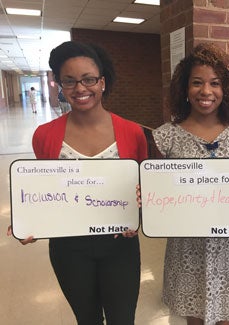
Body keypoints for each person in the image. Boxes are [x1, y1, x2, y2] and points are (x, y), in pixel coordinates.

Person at [8, 41, 148, 325]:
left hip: (120, 244)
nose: (80, 89)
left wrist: (141, 211)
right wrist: (29, 221)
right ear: (60, 85)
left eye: (88, 79)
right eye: (69, 81)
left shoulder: (132, 132)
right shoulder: (44, 135)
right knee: (87, 318)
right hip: (69, 247)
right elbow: (44, 191)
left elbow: (142, 188)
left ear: (103, 82)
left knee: (123, 319)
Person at [152, 43, 229, 325]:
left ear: (226, 89)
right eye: (197, 83)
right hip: (189, 250)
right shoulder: (166, 138)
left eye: (215, 83)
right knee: (195, 320)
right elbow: (159, 198)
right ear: (184, 89)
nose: (206, 91)